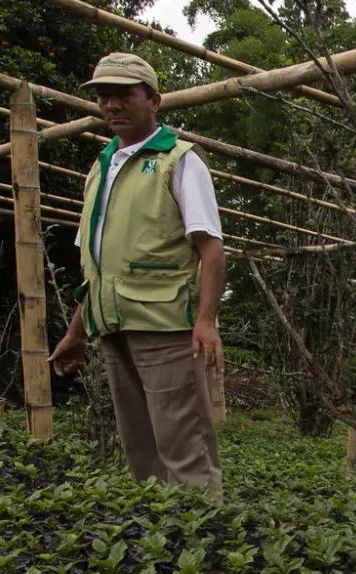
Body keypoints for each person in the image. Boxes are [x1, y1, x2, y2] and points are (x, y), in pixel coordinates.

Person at [49, 53, 227, 491]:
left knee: (184, 447)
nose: (111, 105)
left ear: (154, 100)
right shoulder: (100, 168)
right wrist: (76, 332)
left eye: (124, 95)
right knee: (140, 448)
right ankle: (160, 543)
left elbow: (212, 249)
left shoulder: (179, 160)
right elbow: (96, 264)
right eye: (103, 96)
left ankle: (204, 545)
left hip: (168, 328)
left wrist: (205, 321)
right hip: (113, 326)